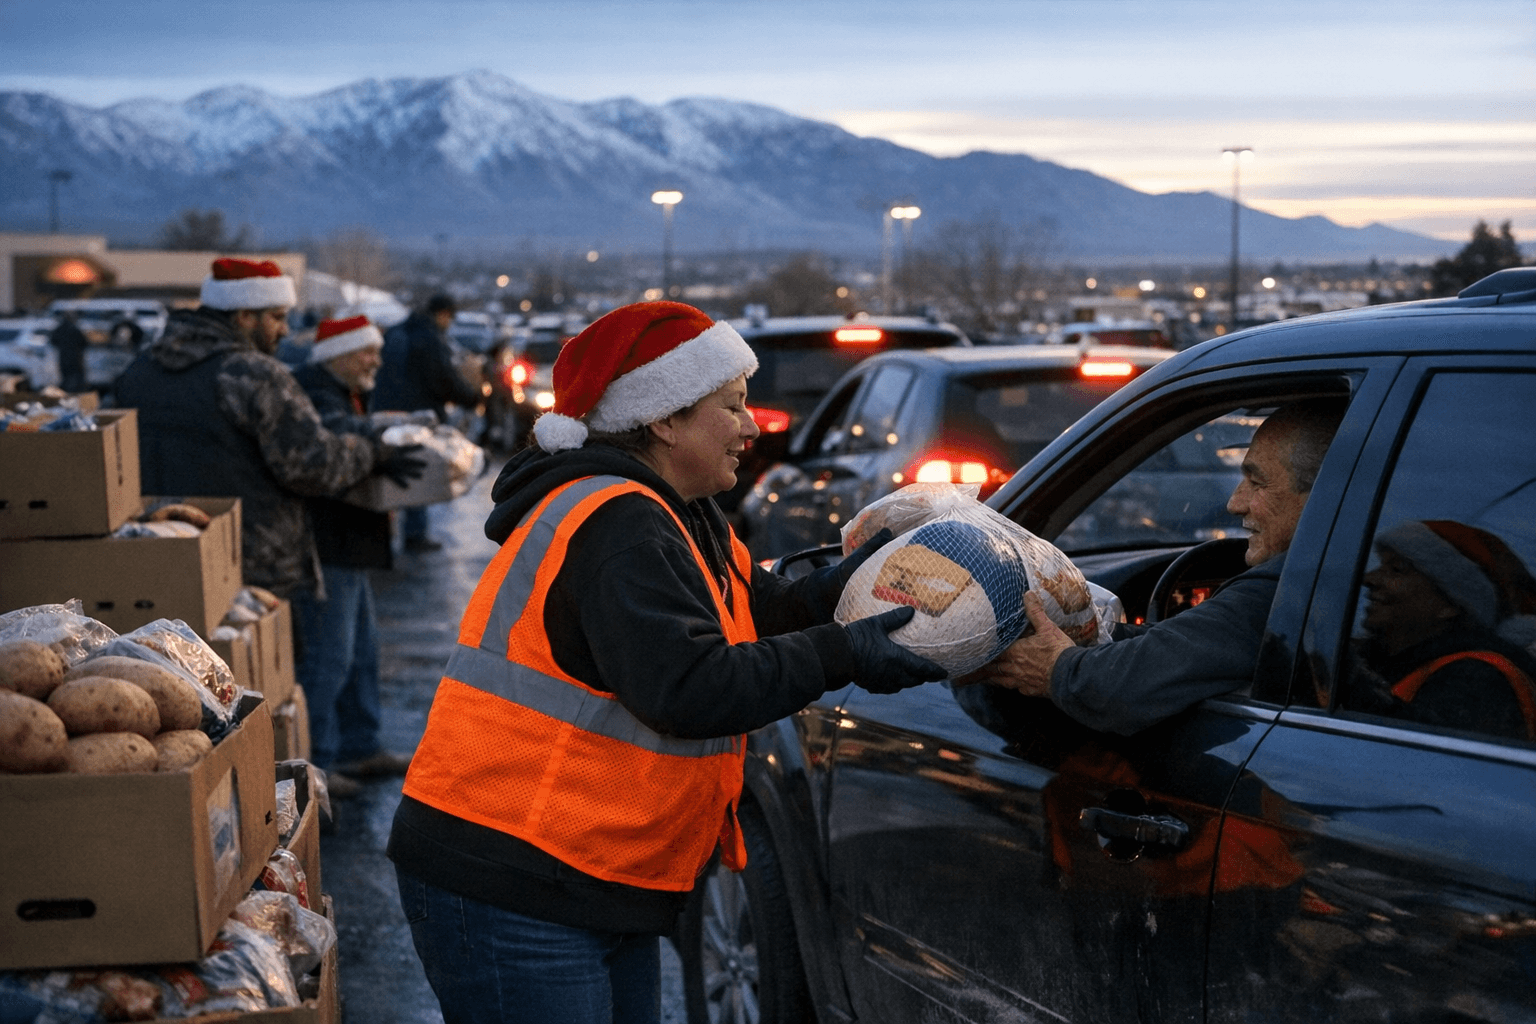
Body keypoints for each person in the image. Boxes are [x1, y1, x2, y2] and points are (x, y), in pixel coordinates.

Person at [386, 301, 946, 1024]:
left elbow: (753, 610)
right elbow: (687, 686)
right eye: (732, 405)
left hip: (584, 869)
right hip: (513, 876)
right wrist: (842, 652)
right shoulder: (619, 522)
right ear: (664, 419)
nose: (752, 426)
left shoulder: (679, 509)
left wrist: (845, 589)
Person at [965, 397, 1348, 735]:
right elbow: (1172, 648)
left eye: (1256, 483)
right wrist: (1087, 634)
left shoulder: (1285, 594)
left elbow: (1125, 685)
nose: (1235, 503)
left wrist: (1055, 669)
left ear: (1325, 497)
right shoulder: (1352, 575)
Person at [114, 257, 426, 600]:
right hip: (249, 570)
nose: (286, 330)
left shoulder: (139, 371)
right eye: (277, 317)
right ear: (245, 316)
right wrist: (374, 451)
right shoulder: (255, 374)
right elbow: (312, 465)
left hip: (155, 559)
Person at [291, 316, 424, 799]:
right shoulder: (313, 389)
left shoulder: (346, 389)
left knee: (362, 650)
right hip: (327, 542)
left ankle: (358, 743)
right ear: (339, 353)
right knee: (330, 656)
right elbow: (330, 433)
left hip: (352, 539)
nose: (376, 361)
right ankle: (318, 763)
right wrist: (381, 437)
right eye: (367, 352)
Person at [1348, 519, 1536, 740]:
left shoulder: (1480, 680)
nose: (1368, 578)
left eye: (1397, 569)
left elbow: (1422, 760)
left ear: (1450, 606)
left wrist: (1348, 681)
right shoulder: (1383, 660)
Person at [372, 293, 484, 551]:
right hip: (416, 415)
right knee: (415, 471)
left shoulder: (395, 332)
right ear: (442, 313)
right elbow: (443, 378)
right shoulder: (429, 339)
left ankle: (383, 534)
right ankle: (414, 533)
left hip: (383, 412)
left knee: (387, 469)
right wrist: (471, 398)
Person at [49, 310, 88, 392]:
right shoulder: (75, 329)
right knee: (76, 379)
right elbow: (84, 343)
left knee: (66, 378)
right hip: (75, 358)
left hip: (64, 358)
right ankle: (74, 395)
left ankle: (67, 394)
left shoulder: (59, 329)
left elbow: (53, 341)